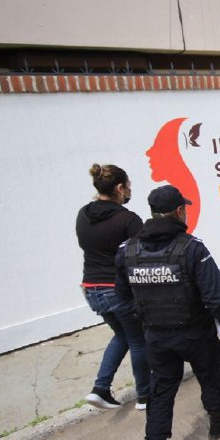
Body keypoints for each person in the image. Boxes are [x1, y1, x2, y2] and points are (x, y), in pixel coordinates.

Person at [115, 184, 220, 440]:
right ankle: (216, 419)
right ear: (180, 211)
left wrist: (146, 319)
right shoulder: (193, 248)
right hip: (195, 334)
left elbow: (123, 297)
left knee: (161, 393)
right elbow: (215, 296)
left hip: (157, 338)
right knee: (209, 375)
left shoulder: (126, 251)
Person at [76, 163, 151, 410]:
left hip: (91, 289)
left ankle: (100, 389)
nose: (129, 191)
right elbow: (142, 257)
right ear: (119, 188)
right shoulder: (128, 220)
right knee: (138, 340)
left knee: (122, 335)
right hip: (117, 290)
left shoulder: (83, 215)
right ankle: (145, 396)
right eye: (128, 186)